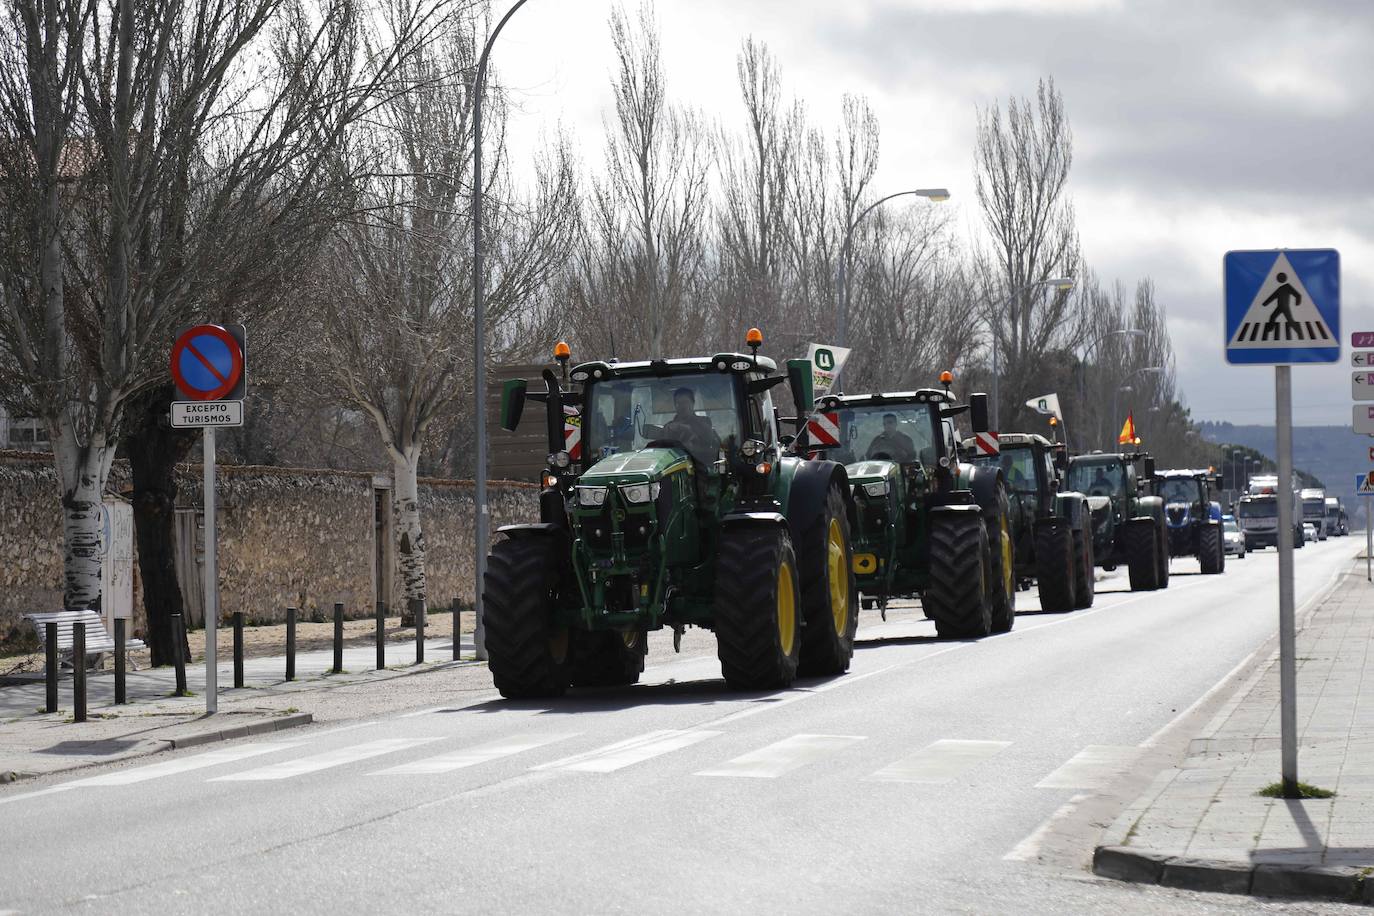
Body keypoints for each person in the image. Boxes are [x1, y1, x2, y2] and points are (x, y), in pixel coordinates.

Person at [644, 386, 720, 465]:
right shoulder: (669, 427)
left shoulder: (704, 422)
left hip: (700, 467)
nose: (682, 406)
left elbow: (711, 445)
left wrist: (689, 435)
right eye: (678, 403)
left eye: (685, 402)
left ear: (692, 403)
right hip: (675, 467)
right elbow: (663, 450)